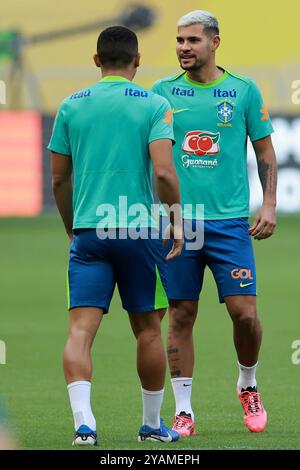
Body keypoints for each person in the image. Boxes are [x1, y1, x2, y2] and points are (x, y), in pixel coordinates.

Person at [48, 26, 183, 445]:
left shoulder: (71, 105)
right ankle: (150, 425)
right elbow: (162, 171)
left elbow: (58, 181)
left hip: (90, 230)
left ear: (96, 60)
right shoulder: (155, 104)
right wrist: (177, 220)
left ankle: (84, 425)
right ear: (137, 61)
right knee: (147, 329)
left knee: (80, 331)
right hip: (139, 231)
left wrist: (74, 229)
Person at [152, 10, 277, 436]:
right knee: (181, 313)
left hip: (229, 224)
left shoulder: (242, 91)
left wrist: (270, 205)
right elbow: (151, 159)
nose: (184, 47)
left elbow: (265, 154)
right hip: (178, 224)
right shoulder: (162, 92)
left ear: (214, 42)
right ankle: (183, 409)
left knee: (245, 315)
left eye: (192, 40)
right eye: (179, 41)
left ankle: (248, 383)